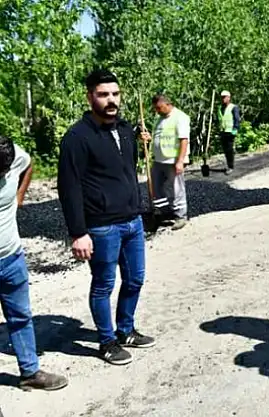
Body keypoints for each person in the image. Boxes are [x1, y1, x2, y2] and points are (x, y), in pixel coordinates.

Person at [58, 69, 156, 366]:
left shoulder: (125, 129)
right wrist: (78, 232)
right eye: (103, 95)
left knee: (135, 279)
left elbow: (126, 171)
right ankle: (107, 341)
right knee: (103, 285)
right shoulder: (77, 137)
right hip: (101, 226)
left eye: (115, 93)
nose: (111, 100)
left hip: (132, 220)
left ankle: (125, 330)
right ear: (90, 97)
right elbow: (69, 187)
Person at [0, 136, 68, 391]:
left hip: (12, 258)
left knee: (20, 316)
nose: (3, 176)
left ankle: (30, 371)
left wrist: (18, 197)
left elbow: (27, 164)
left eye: (5, 172)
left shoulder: (12, 154)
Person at [141, 94, 190, 230]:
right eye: (155, 108)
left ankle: (180, 216)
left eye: (159, 108)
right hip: (159, 159)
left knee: (176, 188)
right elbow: (159, 137)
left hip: (173, 160)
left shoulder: (180, 117)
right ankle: (162, 212)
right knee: (156, 187)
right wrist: (148, 138)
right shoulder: (159, 119)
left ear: (168, 104)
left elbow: (184, 140)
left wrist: (180, 161)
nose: (157, 111)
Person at [217, 90, 240, 175]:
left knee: (229, 149)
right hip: (222, 131)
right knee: (225, 150)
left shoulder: (233, 107)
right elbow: (219, 119)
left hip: (230, 131)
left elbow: (237, 119)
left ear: (229, 98)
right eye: (222, 97)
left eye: (224, 97)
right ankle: (229, 165)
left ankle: (230, 166)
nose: (223, 99)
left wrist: (235, 129)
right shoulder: (220, 108)